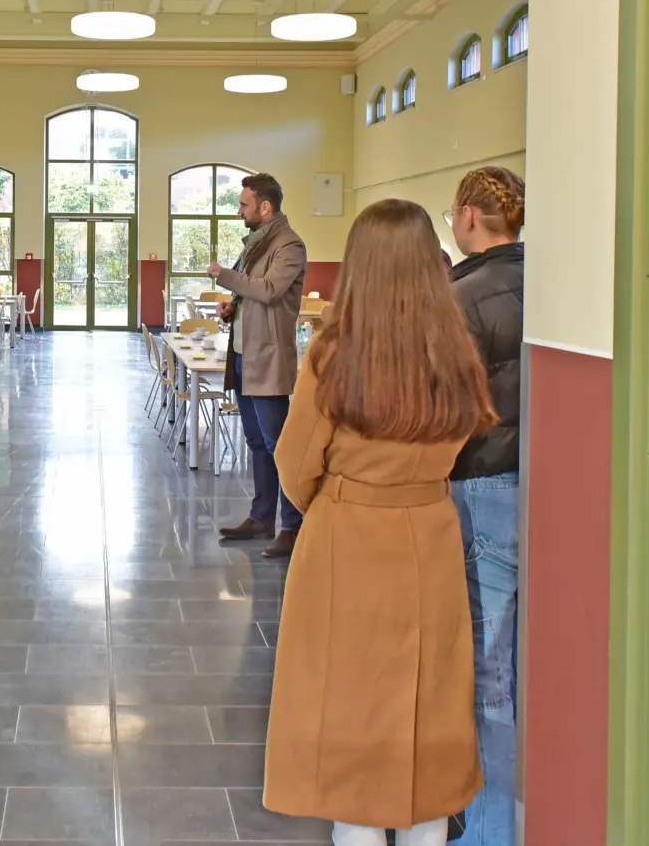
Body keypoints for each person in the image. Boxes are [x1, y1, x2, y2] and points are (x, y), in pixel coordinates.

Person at [263, 198, 497, 846]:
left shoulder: (334, 353)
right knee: (430, 717)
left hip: (348, 536)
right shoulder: (455, 350)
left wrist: (339, 502)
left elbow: (295, 460)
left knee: (354, 723)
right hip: (430, 532)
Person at [443, 166, 526, 846]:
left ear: (470, 216)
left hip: (483, 483)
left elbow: (446, 406)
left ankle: (490, 828)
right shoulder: (548, 278)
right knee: (527, 653)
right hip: (541, 484)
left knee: (490, 664)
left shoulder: (464, 295)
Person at [207, 172, 309, 559]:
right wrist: (233, 306)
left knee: (277, 444)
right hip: (243, 355)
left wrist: (225, 275)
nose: (239, 212)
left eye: (244, 205)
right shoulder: (258, 244)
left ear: (266, 207)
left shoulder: (289, 245)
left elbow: (268, 290)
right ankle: (261, 516)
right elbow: (252, 293)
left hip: (266, 357)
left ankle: (292, 524)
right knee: (255, 441)